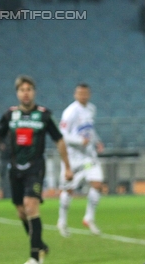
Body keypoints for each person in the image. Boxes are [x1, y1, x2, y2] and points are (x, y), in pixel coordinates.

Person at [0, 75, 73, 264]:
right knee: (21, 212)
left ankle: (34, 256)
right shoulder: (10, 115)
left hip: (35, 167)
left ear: (34, 92)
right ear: (17, 93)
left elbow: (59, 140)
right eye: (22, 90)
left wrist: (67, 166)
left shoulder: (44, 115)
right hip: (16, 168)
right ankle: (39, 244)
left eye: (29, 89)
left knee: (30, 206)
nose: (26, 93)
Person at [57, 83, 105, 237]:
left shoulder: (91, 109)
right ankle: (62, 221)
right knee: (69, 190)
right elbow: (61, 135)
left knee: (97, 183)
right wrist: (79, 141)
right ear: (75, 94)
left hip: (89, 156)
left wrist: (97, 141)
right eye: (80, 93)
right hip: (73, 158)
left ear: (89, 94)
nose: (83, 96)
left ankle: (89, 218)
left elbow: (90, 129)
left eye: (85, 93)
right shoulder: (70, 112)